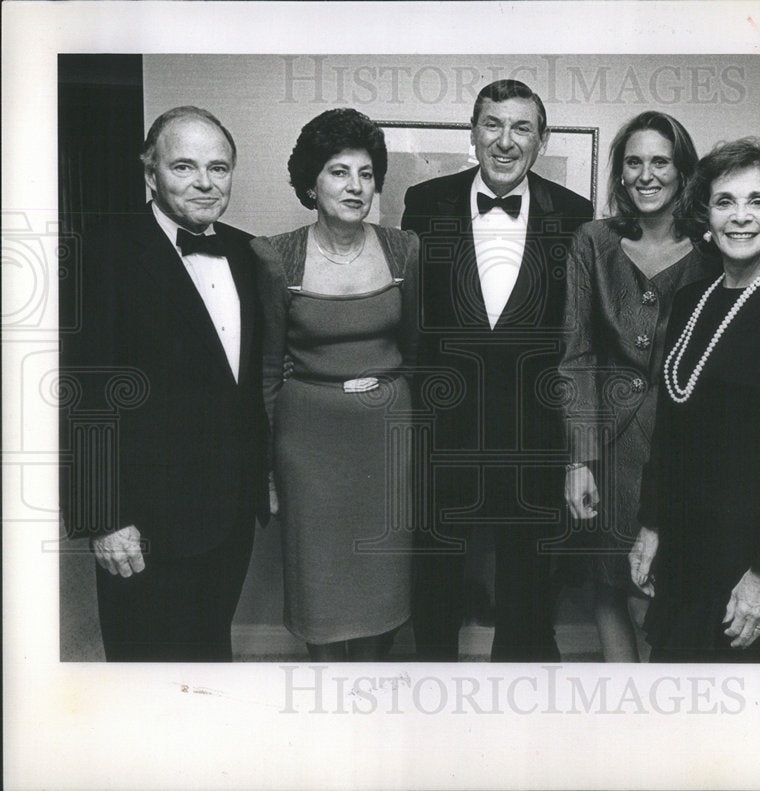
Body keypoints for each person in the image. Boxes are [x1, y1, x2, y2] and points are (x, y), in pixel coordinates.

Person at [64, 107, 269, 661]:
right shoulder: (101, 252)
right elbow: (83, 393)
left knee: (209, 665)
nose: (205, 182)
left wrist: (264, 477)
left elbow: (253, 386)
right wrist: (103, 517)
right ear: (150, 174)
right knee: (144, 682)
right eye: (185, 166)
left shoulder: (250, 254)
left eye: (219, 168)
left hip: (228, 518)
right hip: (143, 526)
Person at [401, 79, 593, 661]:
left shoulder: (576, 214)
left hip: (535, 436)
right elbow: (412, 318)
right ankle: (430, 709)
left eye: (521, 128)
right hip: (443, 433)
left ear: (541, 138)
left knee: (529, 595)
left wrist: (575, 448)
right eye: (493, 124)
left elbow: (577, 335)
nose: (505, 141)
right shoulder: (425, 202)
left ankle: (521, 720)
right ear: (473, 130)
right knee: (433, 587)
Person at [630, 138, 760, 661]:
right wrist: (651, 527)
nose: (740, 217)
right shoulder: (690, 300)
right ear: (706, 214)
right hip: (685, 544)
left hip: (749, 556)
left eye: (757, 202)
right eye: (725, 202)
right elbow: (669, 427)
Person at [252, 108, 418, 662]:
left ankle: (367, 705)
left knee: (382, 583)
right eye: (339, 171)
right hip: (310, 448)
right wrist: (268, 466)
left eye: (366, 173)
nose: (356, 186)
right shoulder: (276, 256)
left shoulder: (404, 250)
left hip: (386, 444)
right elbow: (268, 371)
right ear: (310, 183)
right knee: (320, 587)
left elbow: (416, 353)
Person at [558, 111, 714, 661]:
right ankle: (625, 705)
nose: (647, 175)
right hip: (610, 445)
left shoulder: (716, 245)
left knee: (663, 588)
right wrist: (579, 458)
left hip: (686, 446)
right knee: (609, 584)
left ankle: (662, 715)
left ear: (682, 171)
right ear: (620, 175)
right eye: (634, 162)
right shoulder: (592, 241)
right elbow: (575, 352)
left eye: (660, 161)